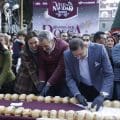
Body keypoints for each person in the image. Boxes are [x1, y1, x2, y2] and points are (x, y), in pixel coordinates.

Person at [64, 38, 114, 111]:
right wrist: (77, 94)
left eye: (80, 54)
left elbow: (109, 74)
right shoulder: (67, 55)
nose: (78, 58)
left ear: (85, 46)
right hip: (82, 88)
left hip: (99, 87)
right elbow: (69, 78)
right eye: (75, 56)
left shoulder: (99, 49)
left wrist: (102, 94)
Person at [38, 30, 69, 97]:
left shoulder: (64, 46)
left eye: (46, 46)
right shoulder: (41, 46)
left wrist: (49, 83)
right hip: (48, 79)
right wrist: (42, 81)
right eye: (41, 46)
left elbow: (61, 67)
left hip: (62, 80)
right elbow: (41, 66)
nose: (43, 49)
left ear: (52, 41)